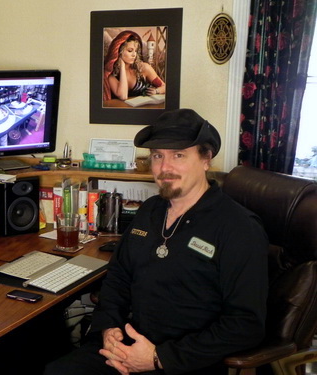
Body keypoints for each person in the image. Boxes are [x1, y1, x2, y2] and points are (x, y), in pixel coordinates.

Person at [45, 109, 269, 375]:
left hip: (184, 362)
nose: (165, 168)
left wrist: (157, 357)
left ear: (206, 159)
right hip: (127, 345)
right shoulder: (150, 209)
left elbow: (246, 324)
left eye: (179, 155)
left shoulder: (238, 227)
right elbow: (119, 276)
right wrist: (109, 329)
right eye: (157, 156)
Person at [103, 30, 166, 102]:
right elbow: (123, 96)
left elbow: (164, 87)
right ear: (119, 52)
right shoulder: (112, 76)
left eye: (136, 51)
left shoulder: (144, 68)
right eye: (130, 51)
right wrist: (122, 66)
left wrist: (156, 91)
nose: (134, 55)